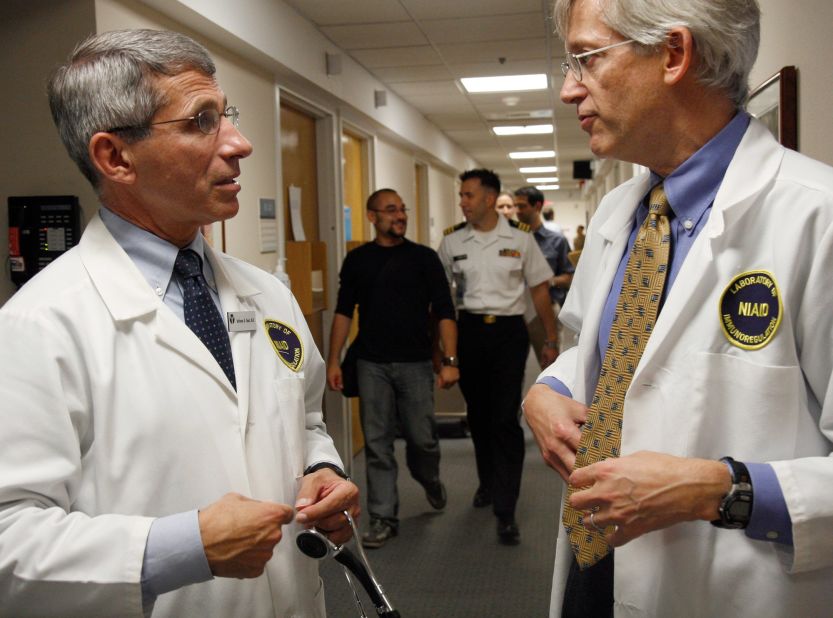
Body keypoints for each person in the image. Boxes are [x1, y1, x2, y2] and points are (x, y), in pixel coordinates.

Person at [0, 29, 359, 618]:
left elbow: (308, 418)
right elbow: (10, 540)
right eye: (201, 121)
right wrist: (181, 548)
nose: (239, 143)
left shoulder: (266, 294)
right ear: (115, 157)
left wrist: (322, 470)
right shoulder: (38, 327)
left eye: (228, 115)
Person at [522, 0, 833, 616]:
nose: (567, 90)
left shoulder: (816, 217)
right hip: (597, 564)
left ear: (673, 55)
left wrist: (719, 489)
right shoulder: (621, 215)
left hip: (733, 584)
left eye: (585, 59)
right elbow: (598, 351)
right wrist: (547, 387)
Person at [327, 188, 459, 548]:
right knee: (377, 443)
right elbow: (343, 312)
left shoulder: (424, 259)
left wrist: (449, 361)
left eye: (402, 210)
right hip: (372, 364)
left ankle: (429, 478)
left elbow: (445, 311)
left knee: (423, 439)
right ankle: (384, 516)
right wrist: (334, 359)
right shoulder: (357, 261)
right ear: (372, 217)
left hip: (416, 363)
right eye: (390, 210)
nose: (399, 215)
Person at [438, 168, 559, 546]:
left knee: (506, 417)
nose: (462, 202)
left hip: (509, 333)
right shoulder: (452, 241)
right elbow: (441, 300)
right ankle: (487, 482)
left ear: (490, 198)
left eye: (468, 195)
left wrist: (551, 339)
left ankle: (506, 510)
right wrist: (443, 353)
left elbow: (539, 292)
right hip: (469, 332)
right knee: (479, 415)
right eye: (462, 195)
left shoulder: (521, 240)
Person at [514, 186, 575, 358]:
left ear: (538, 206)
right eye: (516, 206)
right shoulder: (510, 241)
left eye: (523, 206)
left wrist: (548, 281)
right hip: (515, 311)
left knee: (548, 363)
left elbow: (570, 276)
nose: (517, 211)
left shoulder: (557, 241)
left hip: (545, 309)